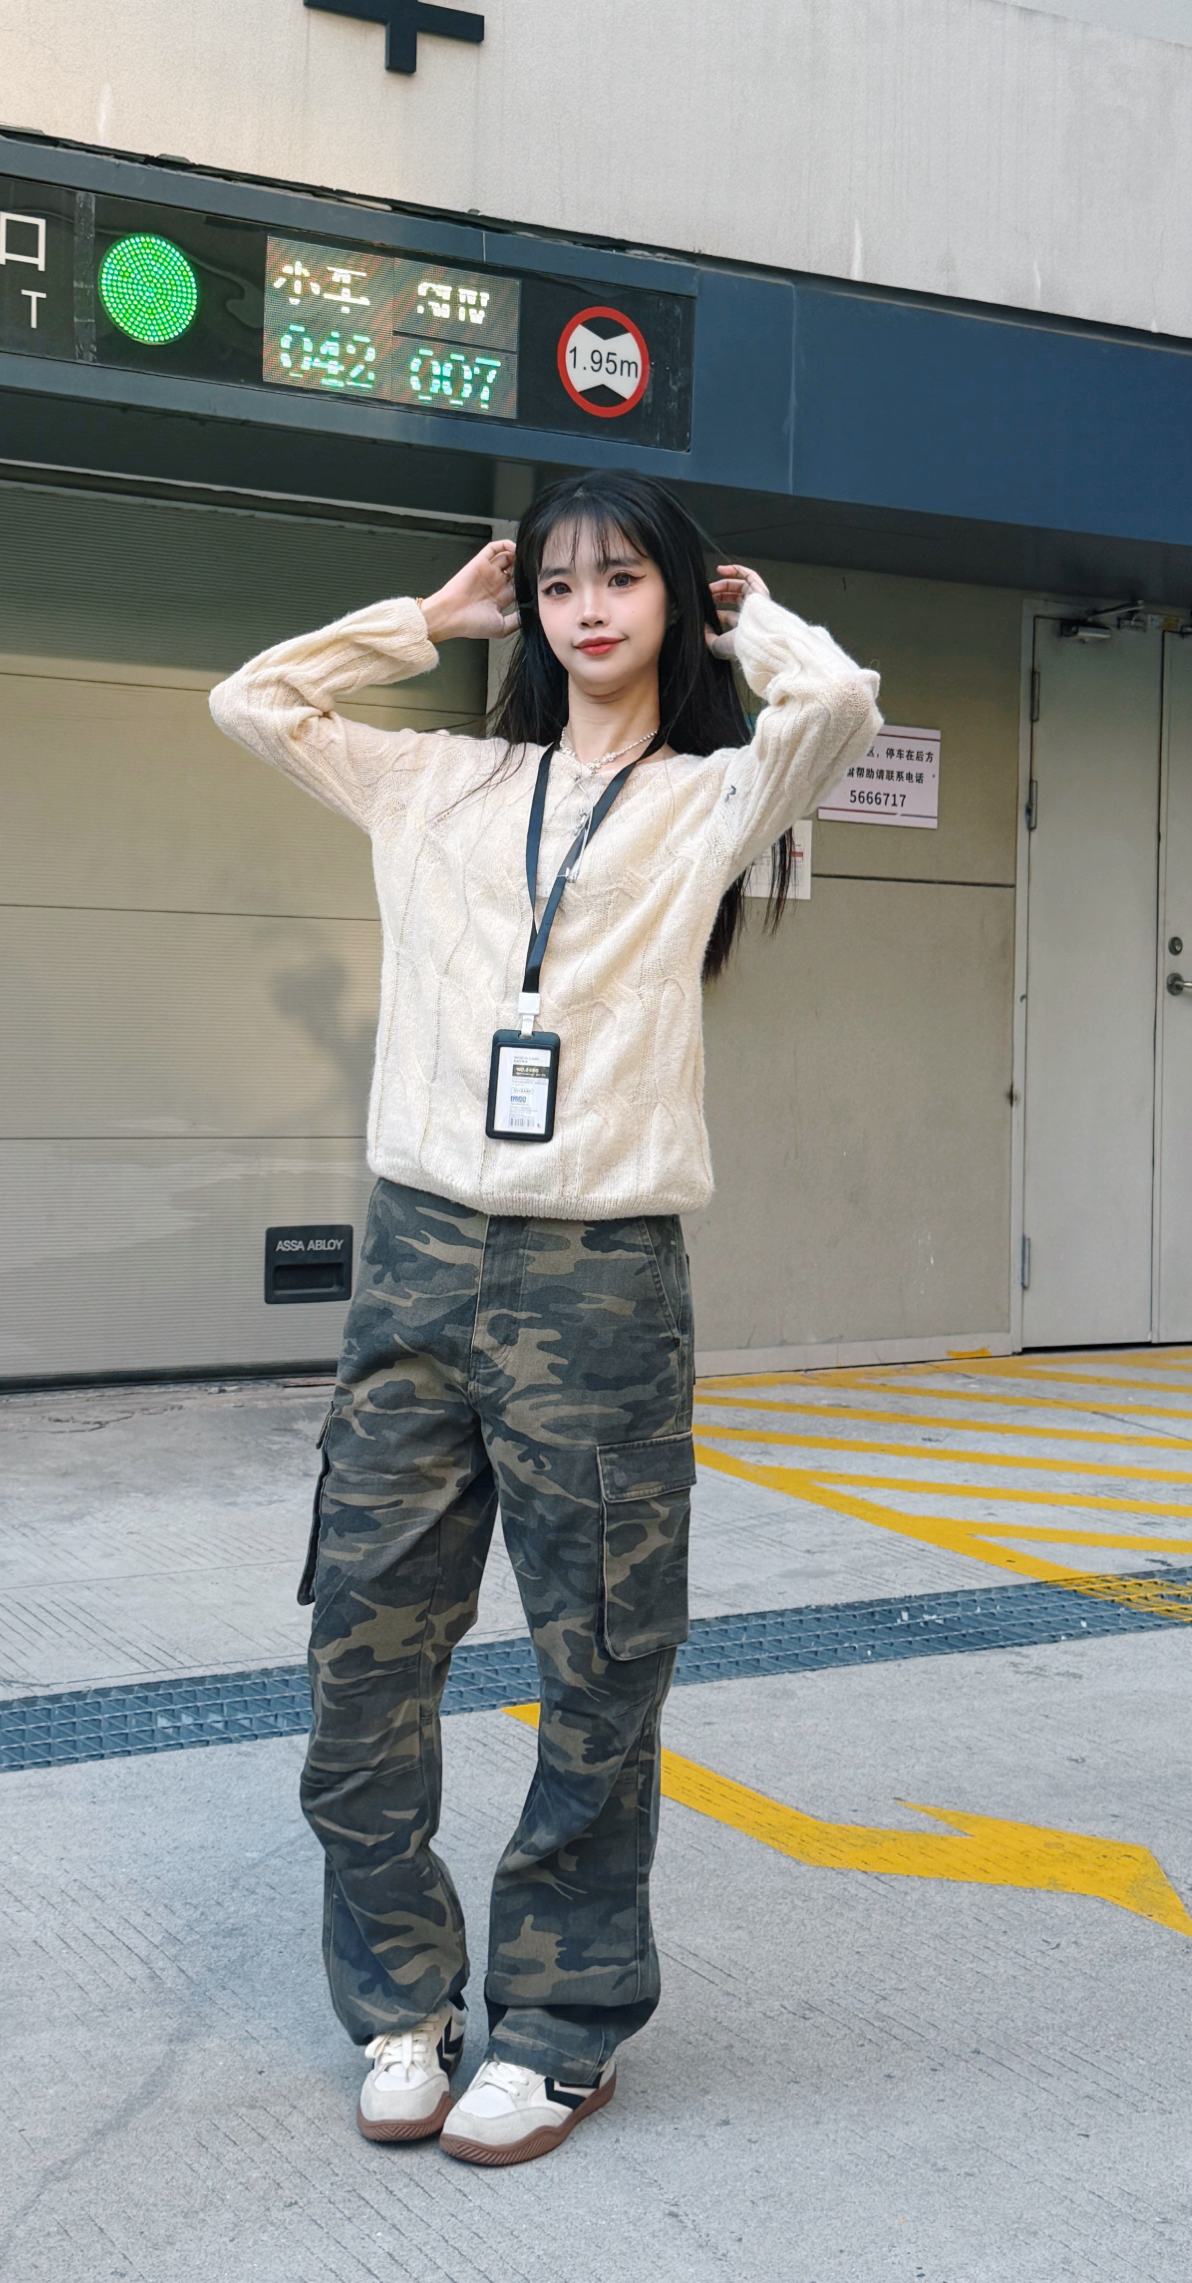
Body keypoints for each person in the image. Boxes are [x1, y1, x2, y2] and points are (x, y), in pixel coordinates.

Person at [209, 469, 881, 2165]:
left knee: (601, 1662)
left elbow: (838, 708)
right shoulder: (438, 778)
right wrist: (424, 622)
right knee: (364, 1652)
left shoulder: (709, 799)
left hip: (602, 1273)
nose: (588, 609)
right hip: (418, 1256)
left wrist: (754, 618)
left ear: (673, 603)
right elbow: (252, 701)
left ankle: (563, 2023)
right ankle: (402, 2003)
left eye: (625, 580)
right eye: (560, 583)